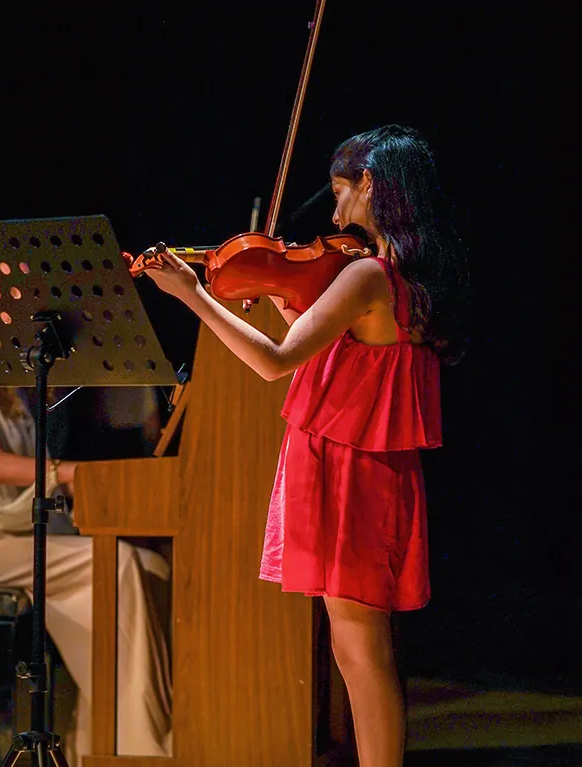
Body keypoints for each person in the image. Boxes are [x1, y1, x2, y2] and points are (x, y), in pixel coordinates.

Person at [139, 125, 467, 767]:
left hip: (346, 469)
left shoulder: (369, 275)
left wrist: (193, 294)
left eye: (343, 191)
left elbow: (274, 362)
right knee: (359, 648)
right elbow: (338, 356)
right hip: (371, 467)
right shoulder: (405, 281)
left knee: (360, 648)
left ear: (372, 185)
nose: (336, 212)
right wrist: (288, 298)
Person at [0, 297, 173, 764]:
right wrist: (69, 472)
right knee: (121, 563)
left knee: (148, 567)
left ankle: (104, 741)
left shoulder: (10, 385)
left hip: (13, 539)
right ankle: (134, 748)